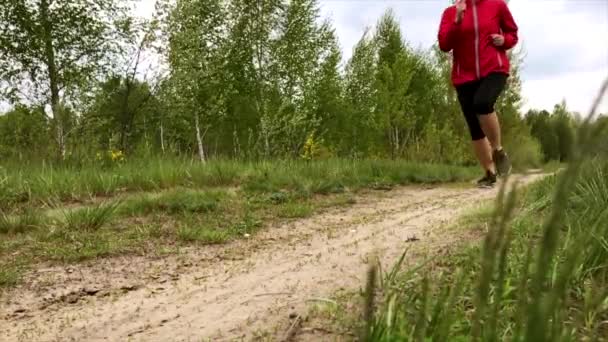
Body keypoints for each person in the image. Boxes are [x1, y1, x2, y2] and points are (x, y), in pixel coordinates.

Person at [437, 0, 518, 187]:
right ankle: (490, 173)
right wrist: (457, 20)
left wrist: (504, 40)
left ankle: (498, 150)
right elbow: (444, 45)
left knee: (482, 103)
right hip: (464, 76)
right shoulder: (450, 12)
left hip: (494, 69)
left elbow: (512, 33)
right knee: (474, 126)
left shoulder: (497, 5)